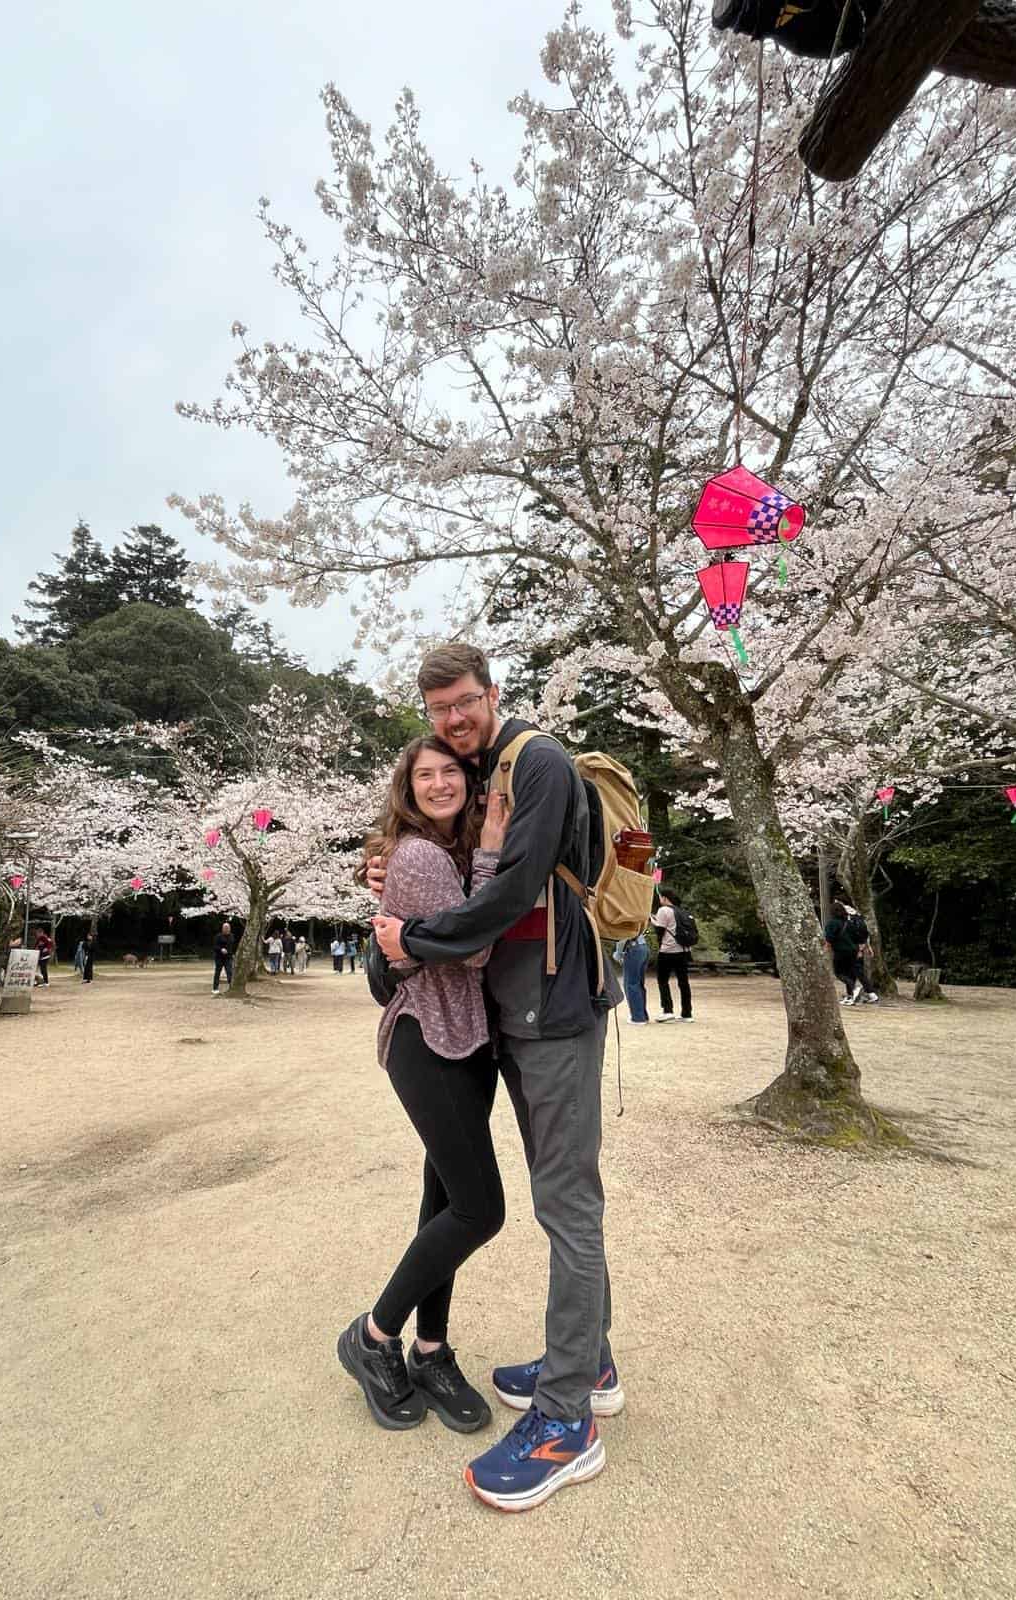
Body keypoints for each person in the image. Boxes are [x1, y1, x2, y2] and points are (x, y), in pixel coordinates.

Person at [370, 643, 622, 1513]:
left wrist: (414, 940)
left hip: (555, 1013)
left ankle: (566, 1418)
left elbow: (513, 891)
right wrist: (391, 889)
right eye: (439, 710)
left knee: (566, 1204)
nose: (453, 721)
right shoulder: (483, 775)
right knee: (559, 1198)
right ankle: (589, 1362)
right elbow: (444, 874)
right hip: (513, 1018)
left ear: (493, 693)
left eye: (465, 702)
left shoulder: (538, 761)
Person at [338, 735, 508, 1435]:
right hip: (428, 1041)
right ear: (407, 792)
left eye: (450, 772)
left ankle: (431, 1350)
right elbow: (476, 946)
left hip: (467, 1040)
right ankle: (374, 1335)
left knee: (443, 1200)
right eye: (424, 776)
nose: (440, 784)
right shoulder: (417, 854)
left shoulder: (446, 853)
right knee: (480, 1210)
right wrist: (492, 851)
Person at [823, 900, 878, 1006]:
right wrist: (860, 950)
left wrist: (825, 950)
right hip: (853, 950)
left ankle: (854, 988)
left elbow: (829, 939)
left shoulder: (832, 923)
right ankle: (851, 996)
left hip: (841, 951)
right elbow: (859, 937)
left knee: (838, 973)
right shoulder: (849, 923)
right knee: (850, 973)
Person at [651, 889, 694, 1022]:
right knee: (683, 982)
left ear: (665, 898)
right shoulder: (682, 911)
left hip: (668, 951)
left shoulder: (663, 910)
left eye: (660, 897)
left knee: (663, 981)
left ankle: (668, 1011)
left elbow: (660, 931)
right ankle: (687, 1014)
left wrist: (652, 920)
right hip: (684, 951)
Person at [614, 932, 650, 1024]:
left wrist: (618, 954)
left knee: (631, 984)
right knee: (639, 984)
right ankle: (642, 1015)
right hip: (643, 946)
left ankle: (638, 1018)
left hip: (633, 948)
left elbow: (622, 937)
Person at [212, 923, 234, 994]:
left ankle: (231, 987)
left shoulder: (232, 936)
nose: (227, 929)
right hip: (219, 958)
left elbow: (233, 946)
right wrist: (221, 949)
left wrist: (233, 953)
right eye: (225, 928)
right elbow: (215, 946)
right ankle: (215, 988)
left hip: (228, 958)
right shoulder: (218, 936)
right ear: (222, 929)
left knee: (229, 972)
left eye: (228, 928)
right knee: (217, 972)